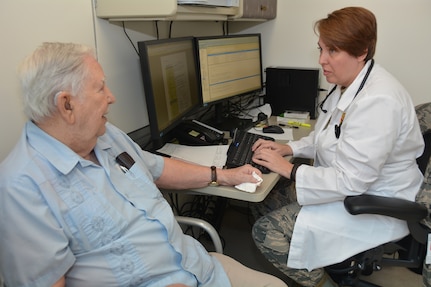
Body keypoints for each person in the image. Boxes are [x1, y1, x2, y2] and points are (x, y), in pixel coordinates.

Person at [0, 42, 288, 287]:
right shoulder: (22, 188)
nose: (111, 97)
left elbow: (157, 168)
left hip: (199, 268)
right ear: (66, 105)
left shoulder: (105, 135)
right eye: (100, 88)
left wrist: (223, 175)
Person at [250, 6, 424, 287]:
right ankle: (324, 263)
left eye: (332, 51)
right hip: (352, 185)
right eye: (321, 49)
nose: (322, 60)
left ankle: (326, 283)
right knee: (262, 202)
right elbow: (328, 136)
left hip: (373, 200)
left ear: (361, 52)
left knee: (265, 231)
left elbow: (352, 181)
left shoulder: (378, 101)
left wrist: (291, 170)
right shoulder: (350, 82)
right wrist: (290, 150)